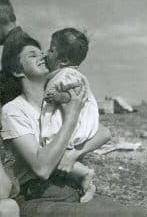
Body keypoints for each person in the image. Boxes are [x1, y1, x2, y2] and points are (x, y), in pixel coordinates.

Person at [0, 34, 147, 216]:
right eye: (32, 55)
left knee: (138, 213)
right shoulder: (14, 110)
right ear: (17, 70)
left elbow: (102, 132)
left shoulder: (59, 99)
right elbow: (42, 168)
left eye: (43, 51)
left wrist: (73, 154)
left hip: (72, 190)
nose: (43, 55)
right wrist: (71, 116)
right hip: (38, 197)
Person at [41, 28, 101, 203]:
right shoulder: (64, 73)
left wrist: (59, 97)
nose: (46, 53)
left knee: (55, 151)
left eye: (51, 50)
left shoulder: (67, 75)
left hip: (72, 122)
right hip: (73, 120)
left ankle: (86, 174)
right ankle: (85, 185)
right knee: (61, 158)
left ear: (64, 60)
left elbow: (75, 95)